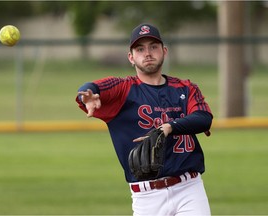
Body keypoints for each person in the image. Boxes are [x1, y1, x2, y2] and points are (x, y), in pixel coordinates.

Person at [76, 23, 213, 216]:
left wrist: (169, 127)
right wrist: (86, 96)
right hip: (146, 197)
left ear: (164, 51)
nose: (147, 53)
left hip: (188, 189)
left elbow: (203, 118)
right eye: (140, 49)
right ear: (131, 57)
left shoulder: (186, 88)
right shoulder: (123, 89)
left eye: (153, 47)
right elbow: (90, 87)